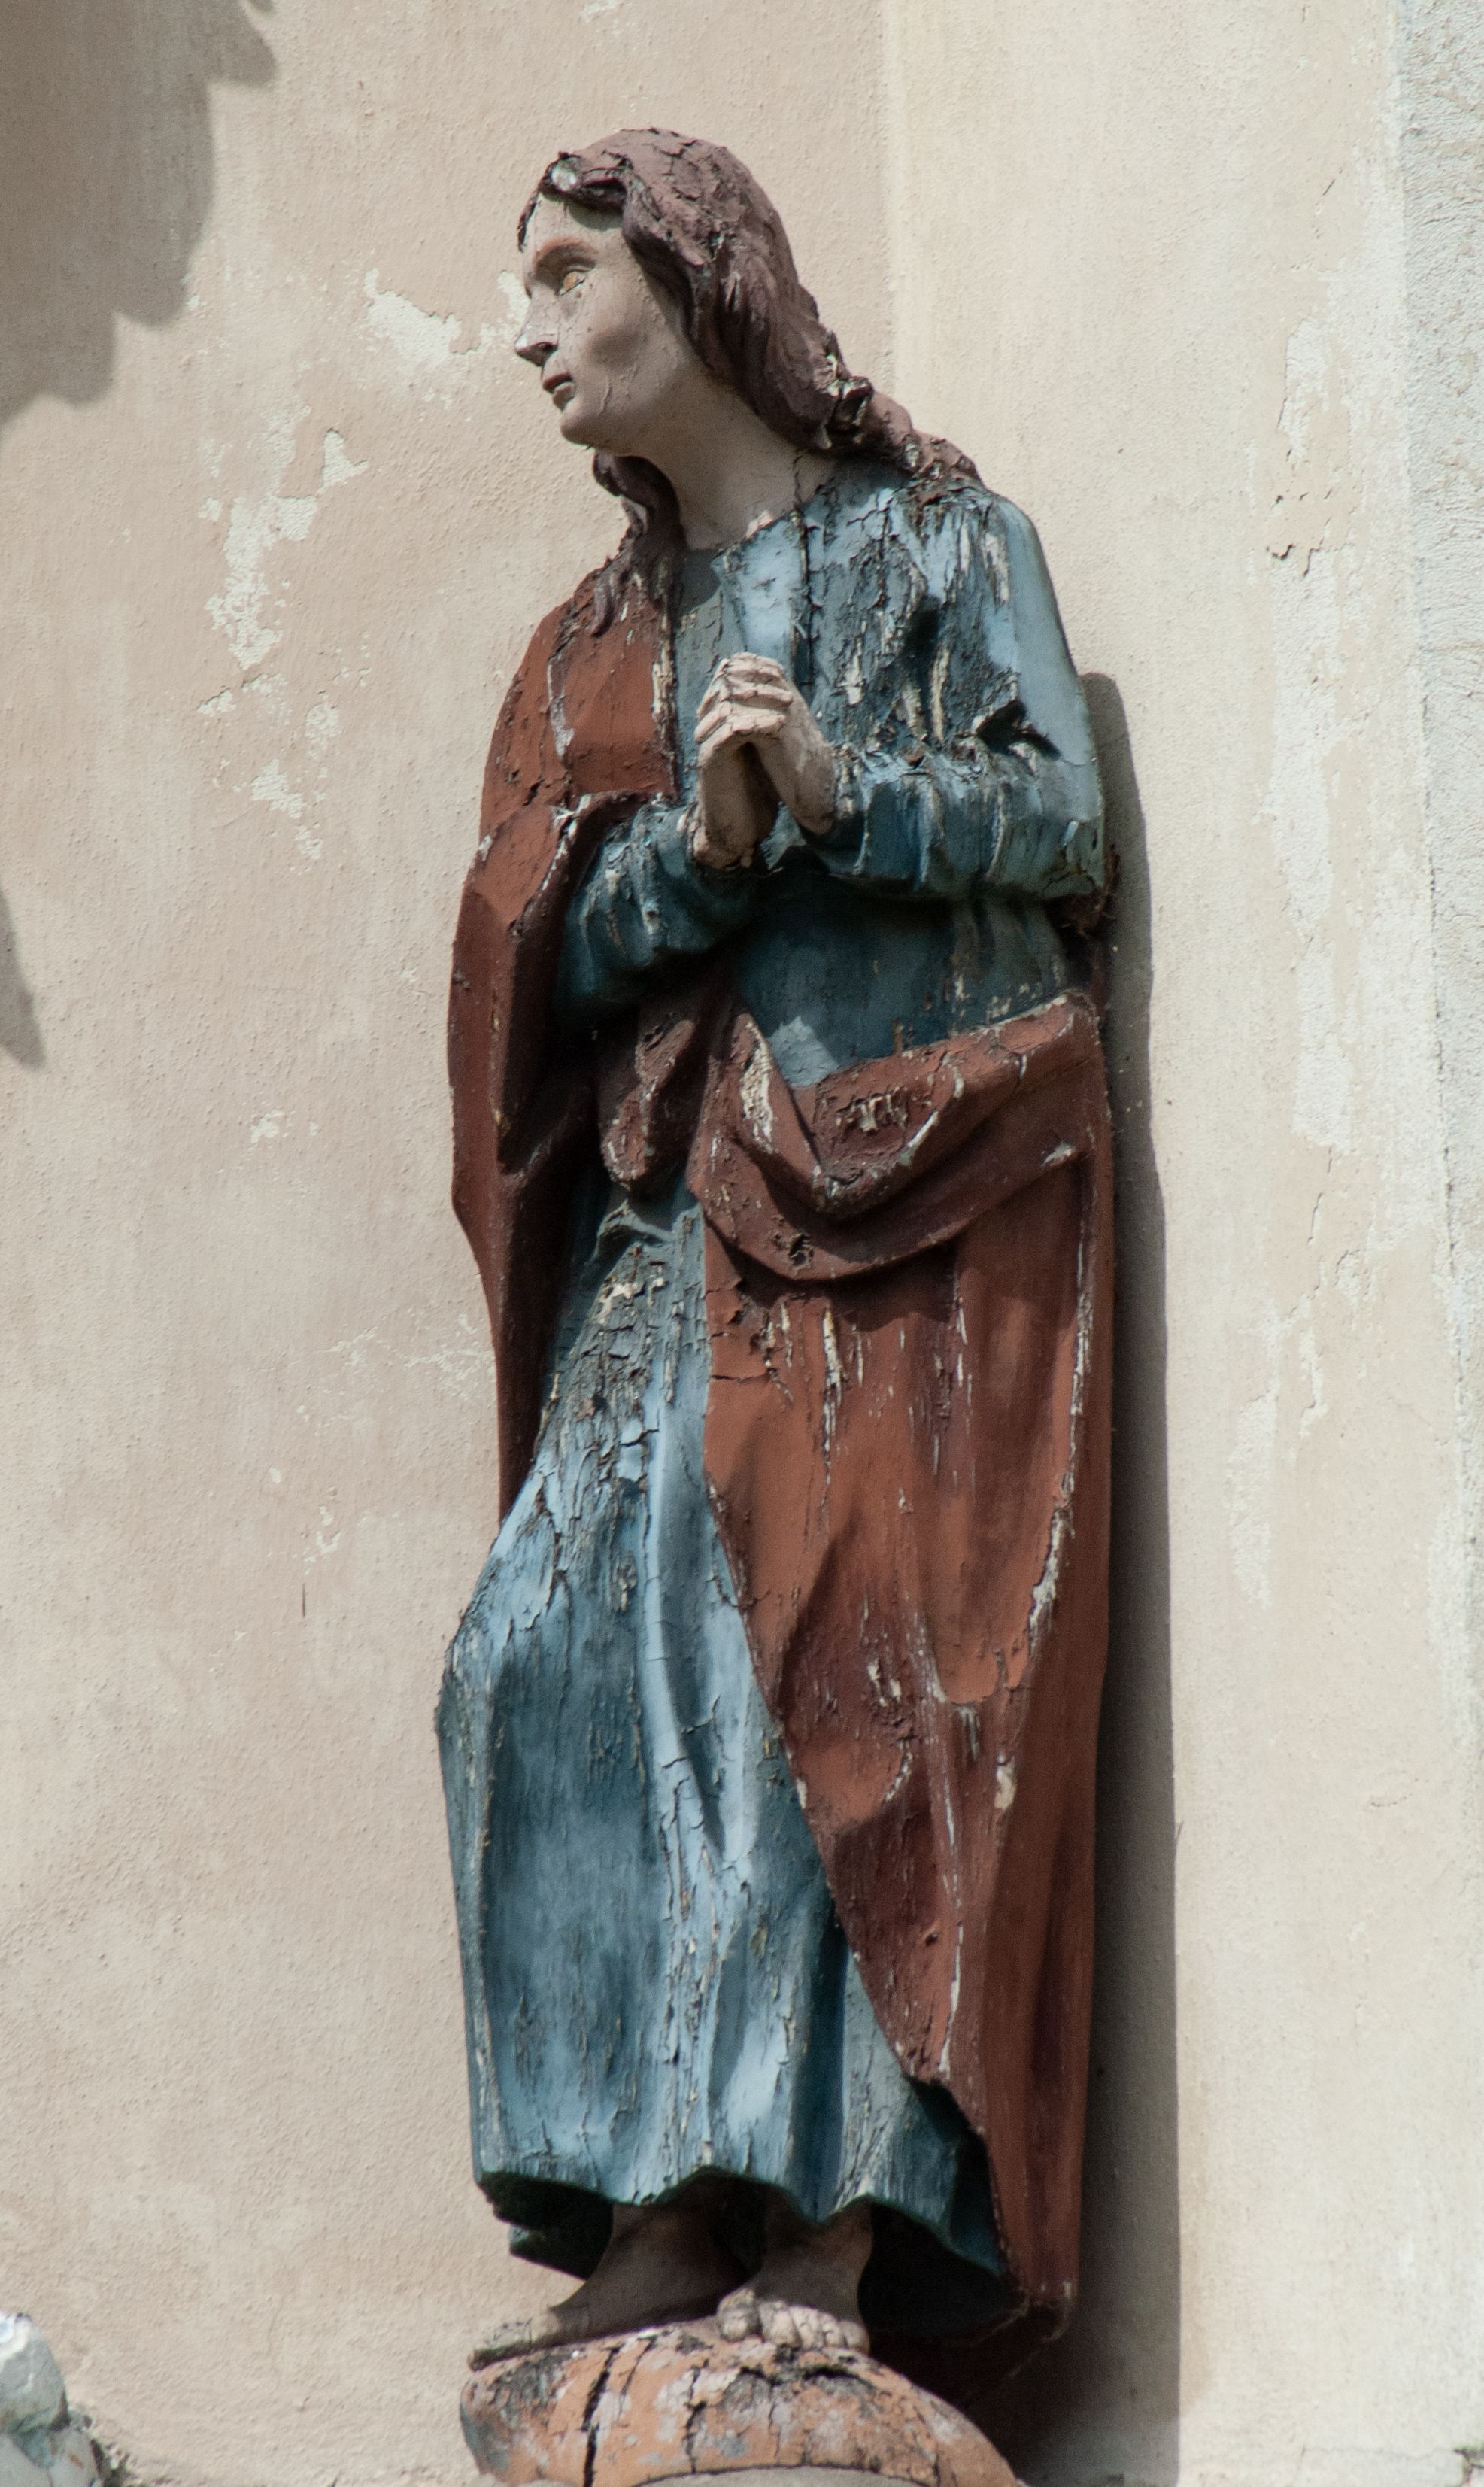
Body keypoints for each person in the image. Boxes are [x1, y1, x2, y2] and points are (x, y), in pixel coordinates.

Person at [438, 129, 1113, 2399]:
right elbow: (540, 951)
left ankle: (830, 2212)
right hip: (671, 1208)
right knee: (545, 1648)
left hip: (906, 1191)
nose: (531, 330)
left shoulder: (942, 545)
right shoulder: (589, 651)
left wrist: (844, 792)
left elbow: (1061, 817)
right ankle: (653, 2185)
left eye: (568, 273)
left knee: (829, 1660)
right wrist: (701, 856)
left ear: (703, 277)